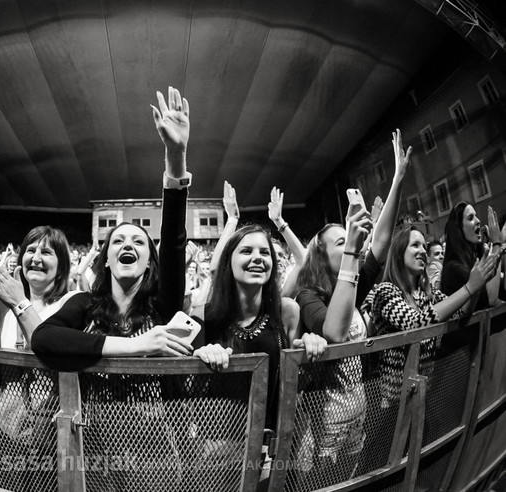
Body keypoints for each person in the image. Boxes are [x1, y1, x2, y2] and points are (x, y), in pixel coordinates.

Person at [31, 86, 194, 370]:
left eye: (139, 242)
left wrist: (176, 156)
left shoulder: (163, 306)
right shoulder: (85, 305)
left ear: (149, 264)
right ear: (105, 260)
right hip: (93, 417)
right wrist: (134, 346)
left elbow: (173, 240)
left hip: (157, 417)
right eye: (117, 242)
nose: (127, 245)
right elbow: (43, 338)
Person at [292, 128, 411, 486]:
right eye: (341, 241)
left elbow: (384, 240)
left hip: (357, 417)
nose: (352, 244)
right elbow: (335, 331)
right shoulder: (307, 295)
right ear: (322, 254)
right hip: (322, 426)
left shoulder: (353, 285)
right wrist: (351, 251)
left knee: (348, 482)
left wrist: (398, 180)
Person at [191, 224, 327, 432]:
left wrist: (310, 348)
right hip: (218, 446)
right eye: (246, 251)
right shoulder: (201, 316)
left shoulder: (287, 311)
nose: (258, 258)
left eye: (265, 252)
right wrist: (202, 356)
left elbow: (294, 384)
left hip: (272, 443)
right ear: (228, 261)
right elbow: (191, 392)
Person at [371, 226, 499, 407]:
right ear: (399, 253)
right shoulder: (385, 291)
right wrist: (469, 287)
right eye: (415, 245)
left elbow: (461, 312)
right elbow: (417, 322)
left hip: (422, 396)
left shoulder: (426, 295)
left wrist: (477, 288)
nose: (423, 251)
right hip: (394, 405)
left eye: (424, 246)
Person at [0, 226, 78, 350]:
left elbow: (51, 353)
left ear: (61, 266)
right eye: (31, 250)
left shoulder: (70, 303)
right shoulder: (8, 309)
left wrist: (20, 304)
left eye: (46, 252)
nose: (36, 259)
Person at [440, 203, 505, 310]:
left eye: (476, 216)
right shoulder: (454, 268)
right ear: (459, 229)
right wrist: (497, 243)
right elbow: (491, 299)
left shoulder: (476, 258)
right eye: (470, 218)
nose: (478, 220)